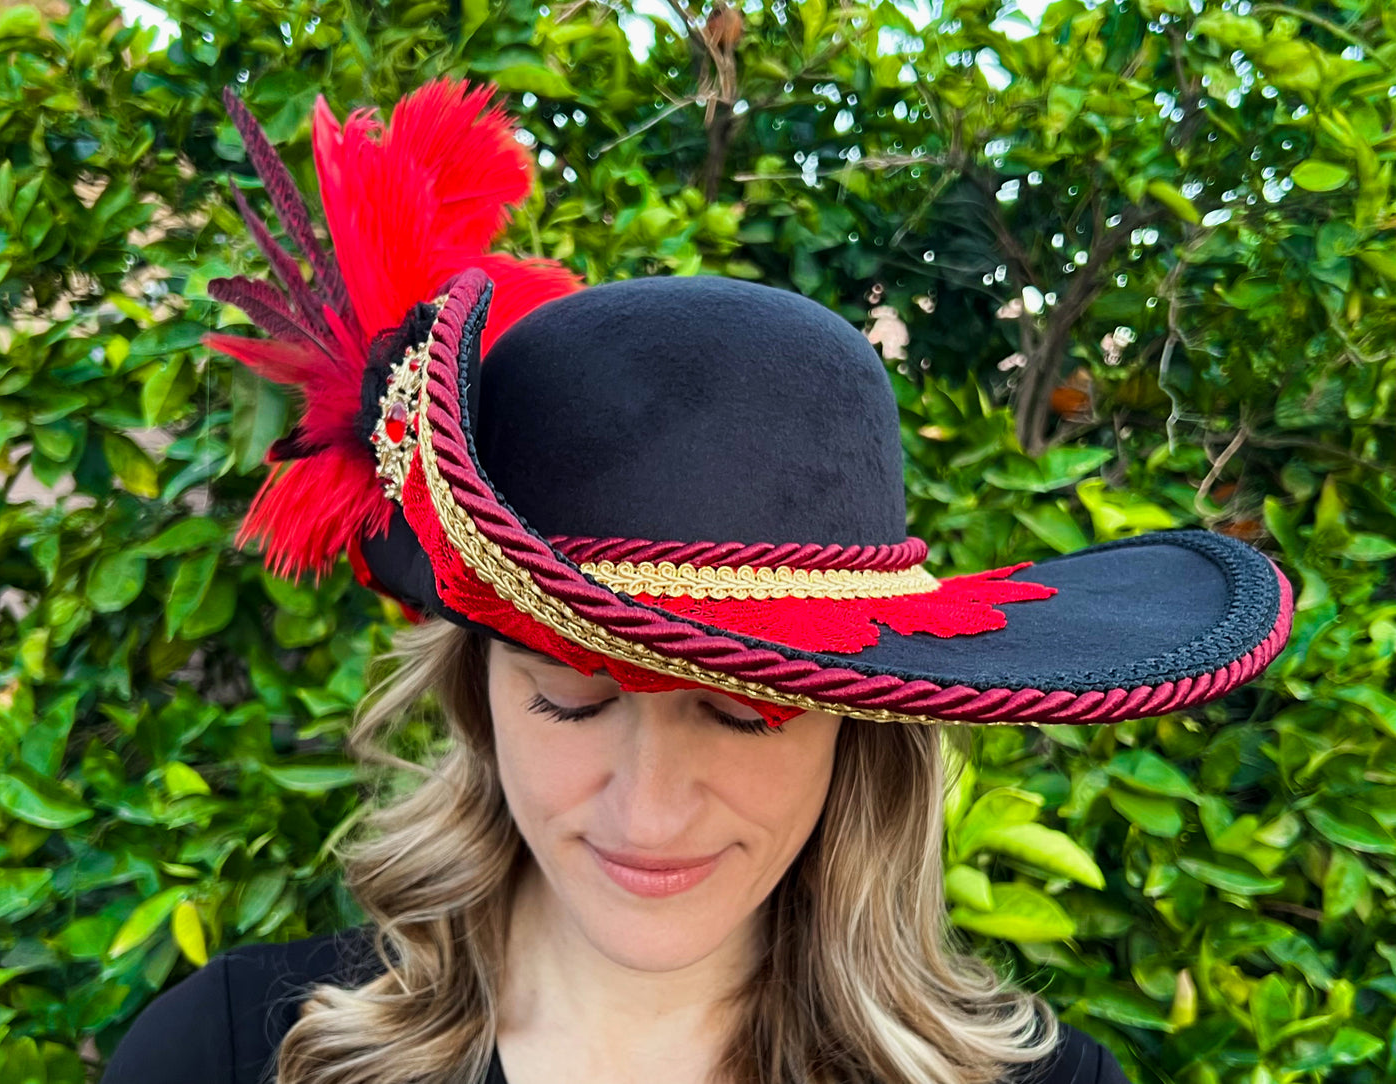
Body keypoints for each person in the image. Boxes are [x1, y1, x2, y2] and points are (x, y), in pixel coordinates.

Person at [100, 77, 1292, 1084]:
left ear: (858, 721)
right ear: (477, 692)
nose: (649, 811)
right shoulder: (232, 1054)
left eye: (746, 709)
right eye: (568, 695)